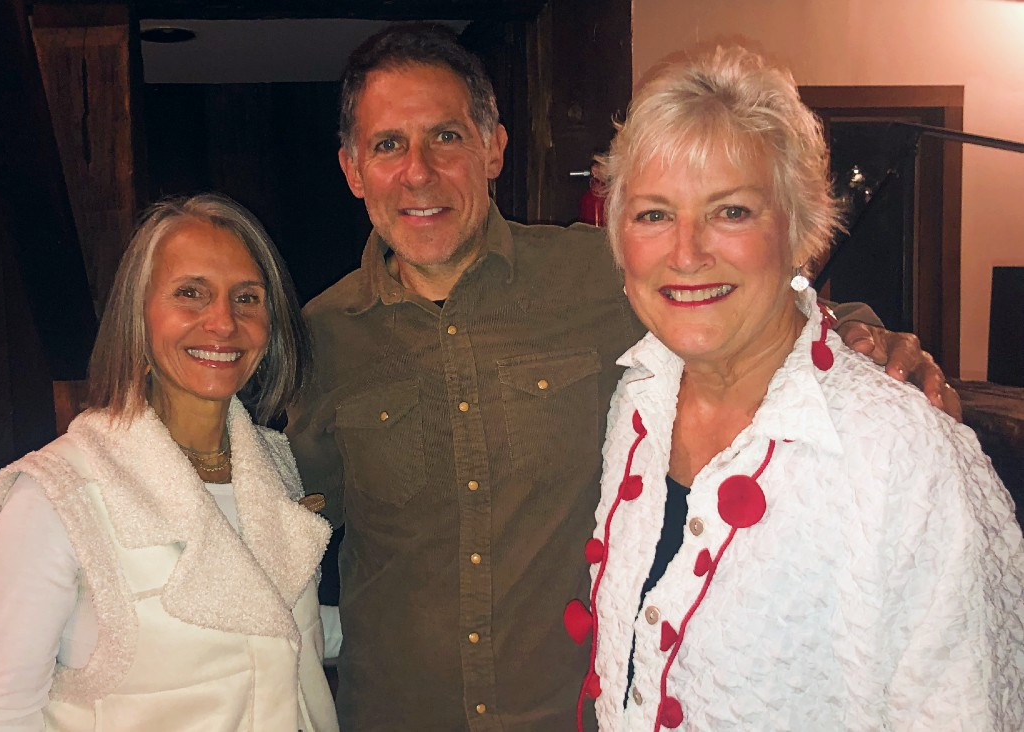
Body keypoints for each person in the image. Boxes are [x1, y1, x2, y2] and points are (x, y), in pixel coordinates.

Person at [286, 24, 959, 731]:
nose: (418, 171)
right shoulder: (320, 339)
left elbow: (747, 301)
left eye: (446, 137)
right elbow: (282, 522)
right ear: (353, 169)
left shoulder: (603, 278)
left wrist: (861, 330)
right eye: (388, 145)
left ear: (493, 149)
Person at [566, 47, 1024, 730]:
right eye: (654, 214)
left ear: (801, 229)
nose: (687, 253)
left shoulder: (909, 460)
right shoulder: (638, 398)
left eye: (732, 212)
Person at [0, 194, 337, 731]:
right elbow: (2, 716)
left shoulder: (271, 466)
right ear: (139, 315)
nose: (224, 323)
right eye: (190, 294)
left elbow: (263, 624)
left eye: (247, 298)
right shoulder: (57, 495)